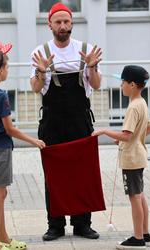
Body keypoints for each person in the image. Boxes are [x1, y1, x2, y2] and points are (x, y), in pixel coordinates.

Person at [30, 2, 102, 241]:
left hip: (80, 121)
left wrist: (91, 66)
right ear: (49, 24)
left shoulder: (85, 49)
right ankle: (55, 225)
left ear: (72, 23)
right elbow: (35, 88)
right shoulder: (40, 52)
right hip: (52, 122)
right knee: (53, 175)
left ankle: (83, 224)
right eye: (58, 22)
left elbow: (97, 84)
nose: (63, 26)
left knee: (83, 173)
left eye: (67, 22)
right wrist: (41, 72)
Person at [0, 43, 46, 250]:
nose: (8, 70)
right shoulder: (0, 96)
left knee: (1, 194)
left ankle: (4, 237)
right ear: (0, 70)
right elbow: (10, 129)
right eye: (7, 67)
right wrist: (34, 141)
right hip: (0, 150)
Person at [92, 65, 150, 249]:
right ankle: (145, 233)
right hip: (139, 156)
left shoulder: (133, 107)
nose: (121, 86)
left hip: (132, 159)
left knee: (134, 197)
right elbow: (148, 129)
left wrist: (104, 131)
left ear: (132, 85)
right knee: (140, 195)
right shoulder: (142, 103)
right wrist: (129, 139)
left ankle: (138, 238)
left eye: (123, 82)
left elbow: (126, 134)